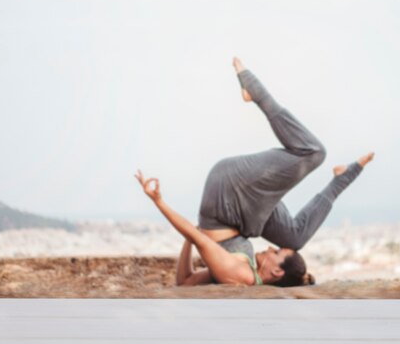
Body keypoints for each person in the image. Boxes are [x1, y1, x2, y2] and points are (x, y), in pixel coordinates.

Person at [135, 58, 373, 287]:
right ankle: (339, 181)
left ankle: (256, 92)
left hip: (228, 192)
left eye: (276, 252)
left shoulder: (240, 275)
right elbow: (186, 281)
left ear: (277, 271)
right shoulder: (249, 272)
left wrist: (159, 202)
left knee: (313, 152)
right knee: (296, 239)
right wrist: (197, 234)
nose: (271, 247)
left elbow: (186, 275)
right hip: (243, 212)